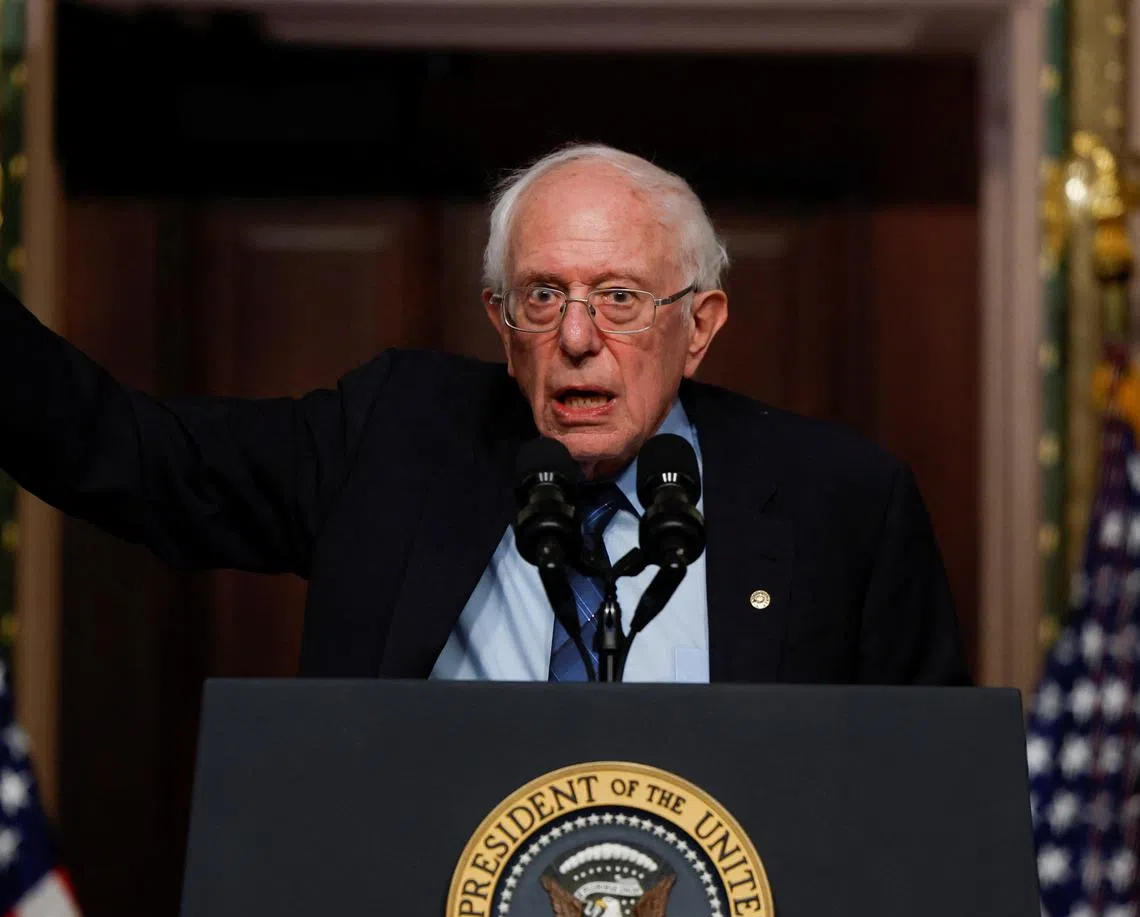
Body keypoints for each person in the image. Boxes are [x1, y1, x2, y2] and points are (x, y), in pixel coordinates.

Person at [0, 143, 969, 685]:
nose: (579, 337)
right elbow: (123, 454)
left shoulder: (839, 500)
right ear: (502, 324)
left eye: (621, 298)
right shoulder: (395, 437)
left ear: (700, 325)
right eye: (543, 297)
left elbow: (922, 793)